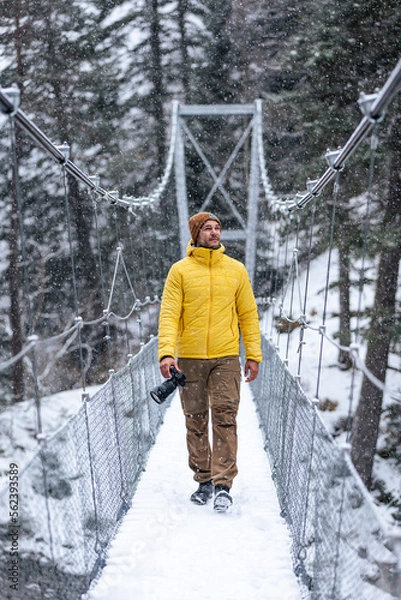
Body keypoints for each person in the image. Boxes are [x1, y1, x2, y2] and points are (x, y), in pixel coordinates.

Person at [157, 212, 262, 512]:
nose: (215, 233)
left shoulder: (236, 270)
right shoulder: (179, 272)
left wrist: (253, 354)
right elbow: (169, 315)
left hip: (226, 356)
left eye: (217, 228)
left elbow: (248, 316)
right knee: (195, 420)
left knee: (225, 418)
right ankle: (203, 480)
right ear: (195, 233)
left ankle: (223, 485)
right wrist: (166, 352)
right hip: (188, 358)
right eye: (208, 229)